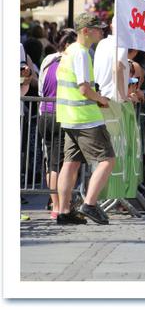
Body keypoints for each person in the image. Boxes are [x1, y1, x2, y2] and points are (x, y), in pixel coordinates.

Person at [55, 14, 116, 225]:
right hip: (85, 118)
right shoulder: (81, 53)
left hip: (69, 117)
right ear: (86, 31)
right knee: (108, 159)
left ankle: (63, 212)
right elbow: (84, 88)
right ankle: (89, 204)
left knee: (70, 164)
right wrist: (101, 100)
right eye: (98, 29)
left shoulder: (69, 51)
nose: (102, 32)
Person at [38, 29, 77, 219]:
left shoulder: (49, 60)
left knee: (51, 163)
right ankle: (59, 206)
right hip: (60, 115)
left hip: (44, 114)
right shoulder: (69, 62)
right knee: (59, 164)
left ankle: (56, 204)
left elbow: (40, 87)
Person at [93, 17, 131, 102]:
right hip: (113, 100)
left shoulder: (102, 43)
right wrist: (123, 97)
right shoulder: (121, 44)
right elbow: (117, 68)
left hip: (101, 97)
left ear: (111, 26)